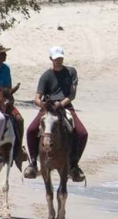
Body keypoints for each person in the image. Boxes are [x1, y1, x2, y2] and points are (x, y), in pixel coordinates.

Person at [25, 45, 87, 183]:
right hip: (48, 106)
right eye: (56, 59)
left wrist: (61, 103)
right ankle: (33, 163)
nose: (58, 61)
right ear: (51, 59)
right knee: (31, 130)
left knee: (82, 133)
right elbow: (37, 98)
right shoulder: (46, 76)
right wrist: (44, 105)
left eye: (60, 58)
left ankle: (74, 164)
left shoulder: (71, 72)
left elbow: (72, 94)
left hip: (65, 105)